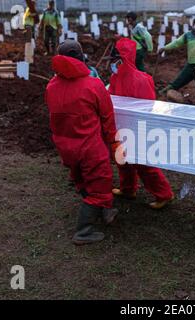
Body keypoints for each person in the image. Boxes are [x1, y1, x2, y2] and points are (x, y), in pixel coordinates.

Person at [45, 40, 122, 245]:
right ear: (81, 59)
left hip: (65, 147)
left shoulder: (51, 86)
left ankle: (105, 210)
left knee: (82, 179)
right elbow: (107, 118)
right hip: (90, 148)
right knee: (99, 182)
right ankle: (84, 231)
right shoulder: (93, 84)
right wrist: (114, 143)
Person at [108, 38, 175, 209]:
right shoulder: (115, 78)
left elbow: (148, 106)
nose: (113, 63)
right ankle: (128, 189)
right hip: (121, 127)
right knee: (122, 160)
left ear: (125, 58)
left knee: (143, 164)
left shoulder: (142, 79)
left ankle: (164, 194)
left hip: (138, 128)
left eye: (116, 59)